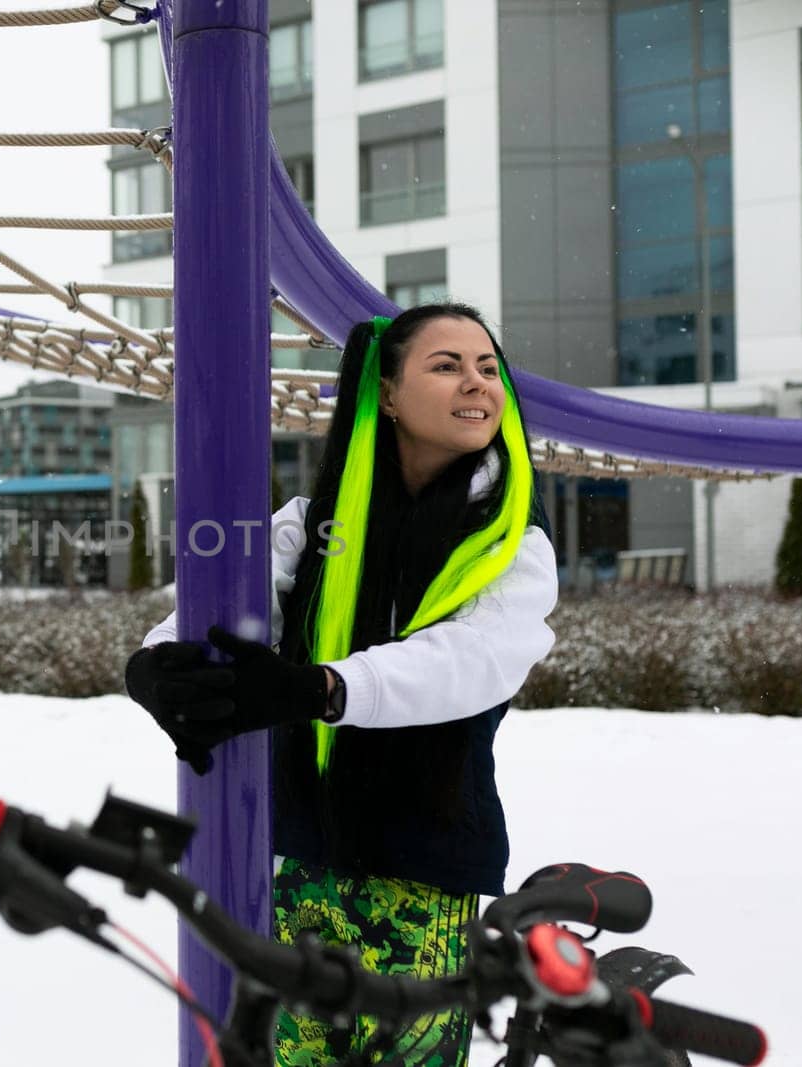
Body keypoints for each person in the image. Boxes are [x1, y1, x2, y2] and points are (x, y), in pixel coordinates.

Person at [124, 303, 559, 1067]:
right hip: (301, 863)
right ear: (387, 394)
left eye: (488, 368)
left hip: (424, 872)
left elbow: (467, 661)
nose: (478, 384)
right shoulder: (315, 521)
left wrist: (317, 688)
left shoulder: (513, 541)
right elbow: (214, 607)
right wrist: (156, 668)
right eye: (447, 364)